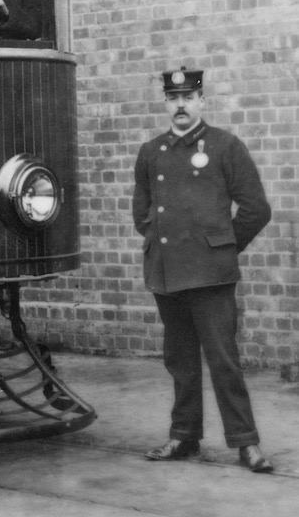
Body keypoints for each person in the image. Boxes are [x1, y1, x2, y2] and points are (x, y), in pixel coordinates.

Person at [132, 67, 273, 473]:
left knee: (224, 361)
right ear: (165, 103)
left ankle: (246, 443)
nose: (180, 105)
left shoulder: (226, 147)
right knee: (179, 360)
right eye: (173, 98)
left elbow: (256, 210)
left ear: (202, 101)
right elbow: (141, 211)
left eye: (188, 98)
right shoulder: (151, 152)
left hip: (211, 274)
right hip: (166, 272)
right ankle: (184, 436)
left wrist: (223, 246)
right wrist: (161, 239)